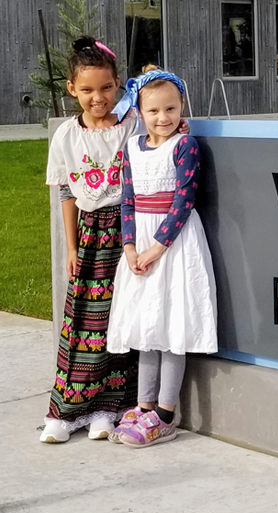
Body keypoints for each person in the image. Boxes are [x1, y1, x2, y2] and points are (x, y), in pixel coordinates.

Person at [106, 66, 217, 447]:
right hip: (141, 247)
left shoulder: (185, 146)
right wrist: (131, 247)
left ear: (182, 105)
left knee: (172, 325)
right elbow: (129, 201)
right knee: (146, 327)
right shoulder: (131, 148)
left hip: (174, 245)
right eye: (154, 111)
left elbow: (183, 200)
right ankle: (144, 405)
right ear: (139, 111)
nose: (163, 118)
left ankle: (165, 414)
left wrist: (157, 248)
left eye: (171, 109)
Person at [41, 36, 139, 443]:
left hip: (129, 230)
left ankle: (108, 407)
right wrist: (71, 246)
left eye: (105, 87)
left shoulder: (133, 125)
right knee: (84, 320)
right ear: (71, 89)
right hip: (90, 234)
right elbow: (66, 192)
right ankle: (68, 410)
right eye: (86, 90)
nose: (97, 97)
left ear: (118, 83)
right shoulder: (66, 135)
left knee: (120, 318)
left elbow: (165, 118)